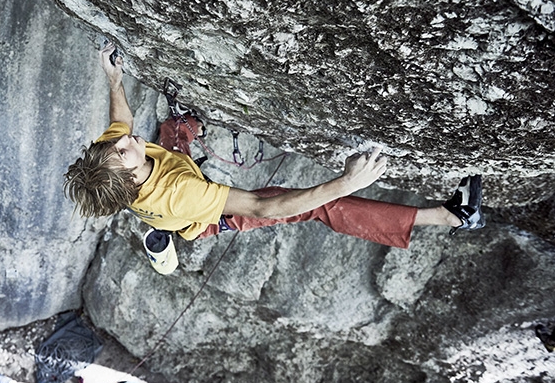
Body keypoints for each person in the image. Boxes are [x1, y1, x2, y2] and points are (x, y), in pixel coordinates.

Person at [63, 42, 485, 262]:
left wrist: (114, 80)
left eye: (114, 144)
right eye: (122, 151)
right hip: (210, 217)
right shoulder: (180, 193)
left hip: (175, 188)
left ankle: (186, 126)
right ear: (131, 177)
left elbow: (124, 125)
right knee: (316, 207)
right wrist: (344, 181)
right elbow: (263, 209)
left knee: (172, 130)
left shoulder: (114, 159)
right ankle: (452, 216)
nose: (123, 140)